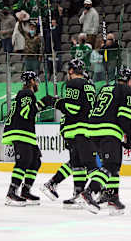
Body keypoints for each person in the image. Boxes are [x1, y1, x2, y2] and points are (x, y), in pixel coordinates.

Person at [79, 66, 131, 215]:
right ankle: (90, 191)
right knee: (112, 165)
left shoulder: (105, 88)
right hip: (108, 130)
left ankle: (112, 197)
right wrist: (130, 135)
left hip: (93, 130)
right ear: (129, 81)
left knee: (111, 165)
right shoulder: (127, 91)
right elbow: (124, 117)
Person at [41, 59, 95, 208]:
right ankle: (80, 194)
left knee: (81, 163)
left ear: (71, 71)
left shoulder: (72, 84)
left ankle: (84, 193)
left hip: (74, 128)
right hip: (85, 127)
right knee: (81, 163)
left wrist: (56, 102)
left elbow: (71, 108)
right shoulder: (90, 85)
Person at [3, 71, 55, 206]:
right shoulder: (27, 93)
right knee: (24, 161)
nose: (37, 83)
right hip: (20, 131)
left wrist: (41, 104)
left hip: (26, 132)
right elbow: (27, 113)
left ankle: (25, 191)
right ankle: (11, 193)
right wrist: (43, 103)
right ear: (31, 81)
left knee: (35, 161)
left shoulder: (25, 94)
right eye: (36, 80)